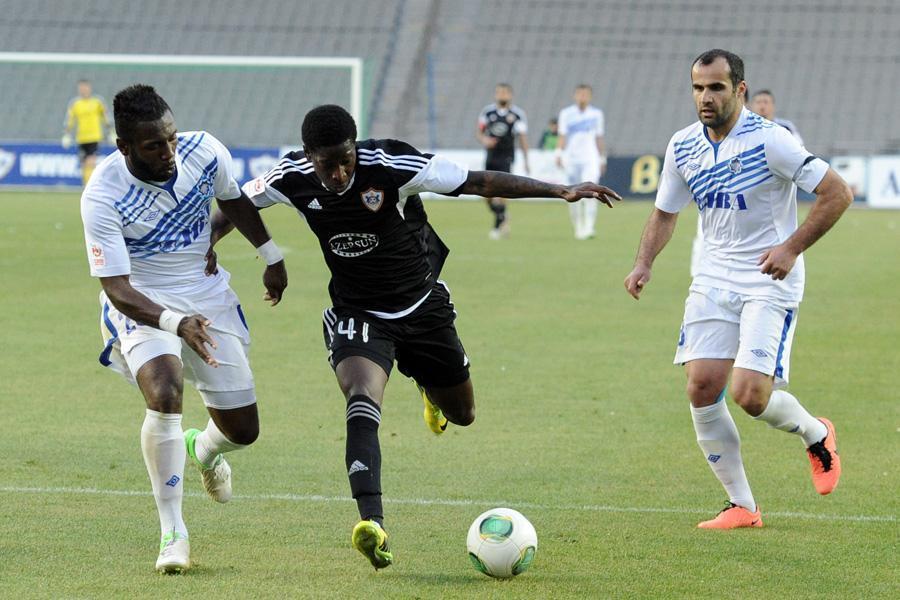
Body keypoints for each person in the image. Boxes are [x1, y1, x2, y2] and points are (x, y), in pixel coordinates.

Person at [215, 104, 620, 570]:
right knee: (361, 397)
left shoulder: (391, 165)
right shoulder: (291, 176)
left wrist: (559, 190)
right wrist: (214, 245)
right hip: (359, 311)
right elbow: (235, 202)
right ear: (309, 156)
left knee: (463, 414)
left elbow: (476, 181)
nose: (339, 173)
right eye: (328, 164)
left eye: (346, 160)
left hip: (422, 307)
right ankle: (372, 523)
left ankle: (426, 384)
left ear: (355, 147)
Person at [624, 50, 851, 529]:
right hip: (712, 277)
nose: (705, 97)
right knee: (701, 387)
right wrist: (644, 262)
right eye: (698, 88)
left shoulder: (772, 141)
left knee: (750, 395)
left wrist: (790, 247)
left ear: (739, 90)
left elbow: (838, 192)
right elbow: (665, 212)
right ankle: (742, 506)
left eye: (716, 88)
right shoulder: (683, 145)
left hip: (768, 278)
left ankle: (816, 433)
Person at [80, 84, 288, 572]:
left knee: (243, 430)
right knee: (164, 390)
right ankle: (173, 533)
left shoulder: (205, 150)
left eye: (171, 138)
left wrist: (271, 255)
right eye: (154, 145)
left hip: (206, 293)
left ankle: (205, 448)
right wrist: (175, 323)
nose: (169, 152)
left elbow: (234, 200)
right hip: (143, 300)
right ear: (125, 147)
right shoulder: (103, 195)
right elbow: (116, 287)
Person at [476, 83, 530, 239]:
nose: (502, 95)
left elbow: (522, 138)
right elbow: (479, 132)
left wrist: (526, 159)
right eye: (499, 92)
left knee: (501, 189)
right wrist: (484, 140)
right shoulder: (487, 112)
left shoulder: (517, 114)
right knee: (486, 193)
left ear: (510, 95)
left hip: (507, 156)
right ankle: (502, 215)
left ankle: (497, 225)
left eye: (505, 92)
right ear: (495, 94)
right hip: (490, 156)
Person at [556, 84, 607, 240]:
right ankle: (578, 228)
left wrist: (602, 158)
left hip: (590, 159)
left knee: (592, 191)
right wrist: (558, 153)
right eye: (580, 94)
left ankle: (589, 227)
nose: (582, 97)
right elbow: (562, 136)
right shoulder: (566, 114)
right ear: (575, 96)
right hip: (571, 159)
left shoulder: (596, 114)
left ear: (590, 97)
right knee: (573, 193)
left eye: (585, 94)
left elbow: (599, 137)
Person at [63, 79, 113, 185]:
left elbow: (106, 117)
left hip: (94, 137)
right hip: (81, 138)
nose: (83, 90)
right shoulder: (75, 104)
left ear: (89, 88)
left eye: (85, 87)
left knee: (91, 161)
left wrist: (111, 132)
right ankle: (86, 186)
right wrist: (66, 135)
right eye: (81, 88)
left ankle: (90, 186)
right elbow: (69, 120)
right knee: (84, 164)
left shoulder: (97, 102)